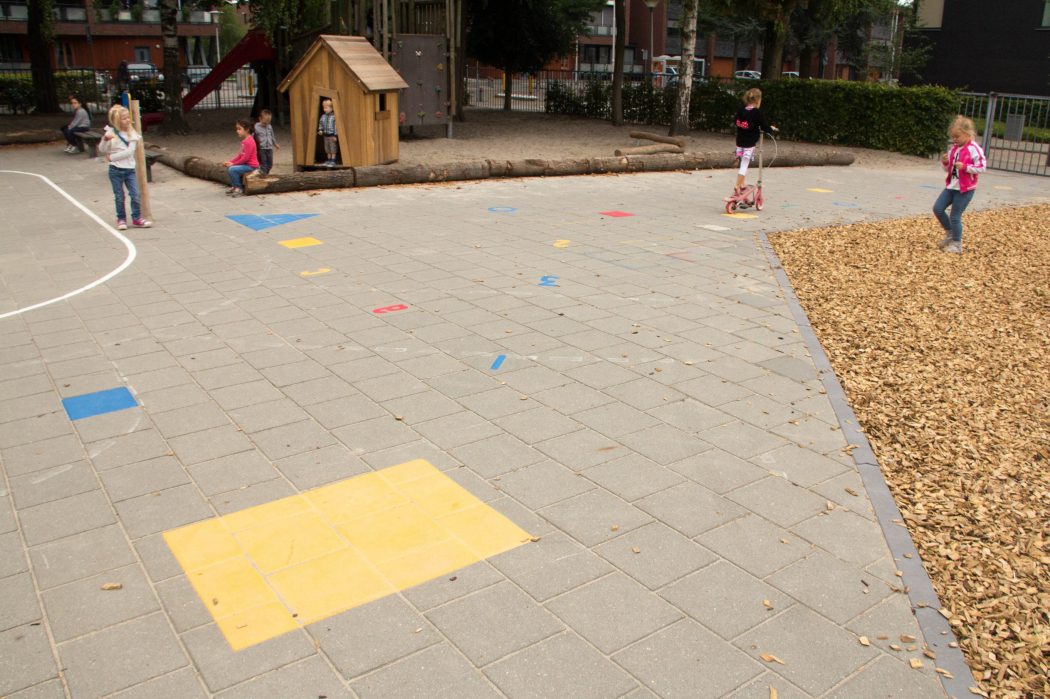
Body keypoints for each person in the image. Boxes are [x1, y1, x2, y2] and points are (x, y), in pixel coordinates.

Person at [933, 115, 986, 254]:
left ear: (967, 134)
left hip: (965, 189)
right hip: (951, 186)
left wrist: (965, 167)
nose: (954, 139)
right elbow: (948, 169)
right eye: (953, 137)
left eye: (957, 136)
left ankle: (957, 243)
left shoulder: (974, 148)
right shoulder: (954, 148)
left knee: (955, 215)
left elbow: (982, 167)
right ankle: (950, 233)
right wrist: (945, 162)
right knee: (938, 208)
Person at [98, 105, 150, 230]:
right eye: (123, 118)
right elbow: (102, 149)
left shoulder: (131, 134)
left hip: (129, 170)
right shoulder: (110, 133)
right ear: (116, 120)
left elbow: (129, 152)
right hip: (115, 170)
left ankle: (137, 217)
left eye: (128, 118)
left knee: (135, 194)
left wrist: (112, 157)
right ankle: (121, 219)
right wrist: (105, 139)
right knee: (119, 196)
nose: (127, 120)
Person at [729, 87, 775, 199]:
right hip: (749, 143)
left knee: (742, 162)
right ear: (759, 100)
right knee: (745, 164)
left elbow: (736, 121)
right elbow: (765, 126)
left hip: (739, 141)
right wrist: (772, 129)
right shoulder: (757, 113)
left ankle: (742, 184)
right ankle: (737, 186)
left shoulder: (741, 110)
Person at [221, 118, 259, 197]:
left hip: (251, 166)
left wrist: (232, 164)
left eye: (239, 129)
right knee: (229, 169)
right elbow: (239, 156)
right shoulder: (244, 141)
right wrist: (229, 161)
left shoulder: (249, 141)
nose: (237, 131)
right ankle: (234, 186)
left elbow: (245, 158)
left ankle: (239, 187)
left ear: (247, 129)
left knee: (232, 169)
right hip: (246, 164)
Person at [254, 109, 280, 175]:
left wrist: (275, 144)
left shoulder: (269, 127)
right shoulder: (256, 127)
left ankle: (265, 174)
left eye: (268, 123)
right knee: (263, 164)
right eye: (264, 123)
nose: (266, 124)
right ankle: (264, 175)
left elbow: (272, 136)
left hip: (269, 148)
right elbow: (253, 138)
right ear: (260, 119)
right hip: (261, 148)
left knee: (270, 164)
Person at [317, 98, 338, 167]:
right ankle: (328, 160)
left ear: (331, 108)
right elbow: (321, 123)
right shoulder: (323, 117)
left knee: (333, 148)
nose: (324, 109)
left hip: (331, 135)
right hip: (325, 135)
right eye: (324, 108)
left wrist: (335, 135)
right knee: (327, 148)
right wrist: (320, 130)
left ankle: (333, 160)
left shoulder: (333, 117)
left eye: (326, 108)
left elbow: (336, 126)